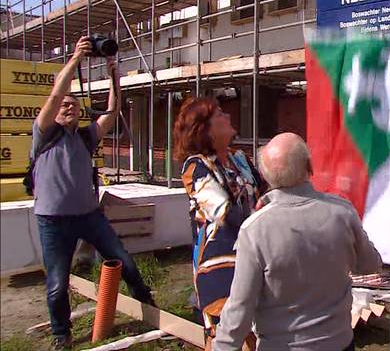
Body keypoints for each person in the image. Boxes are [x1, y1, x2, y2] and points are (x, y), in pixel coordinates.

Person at [32, 36, 154, 350]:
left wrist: (114, 73)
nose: (69, 107)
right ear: (55, 111)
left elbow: (112, 111)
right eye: (63, 105)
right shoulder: (44, 133)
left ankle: (149, 308)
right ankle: (62, 334)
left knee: (125, 263)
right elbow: (59, 89)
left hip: (89, 216)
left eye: (74, 105)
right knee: (58, 285)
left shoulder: (86, 137)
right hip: (53, 222)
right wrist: (75, 59)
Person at [213, 133, 382, 351]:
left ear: (266, 177)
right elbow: (370, 264)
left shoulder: (255, 230)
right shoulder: (342, 212)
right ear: (309, 167)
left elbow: (240, 307)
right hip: (338, 343)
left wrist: (223, 347)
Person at [174, 97, 267, 350]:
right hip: (222, 266)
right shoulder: (196, 167)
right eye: (219, 114)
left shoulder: (241, 160)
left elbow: (268, 193)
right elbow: (224, 212)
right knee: (227, 335)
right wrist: (268, 221)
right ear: (204, 129)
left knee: (263, 334)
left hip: (258, 256)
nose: (227, 116)